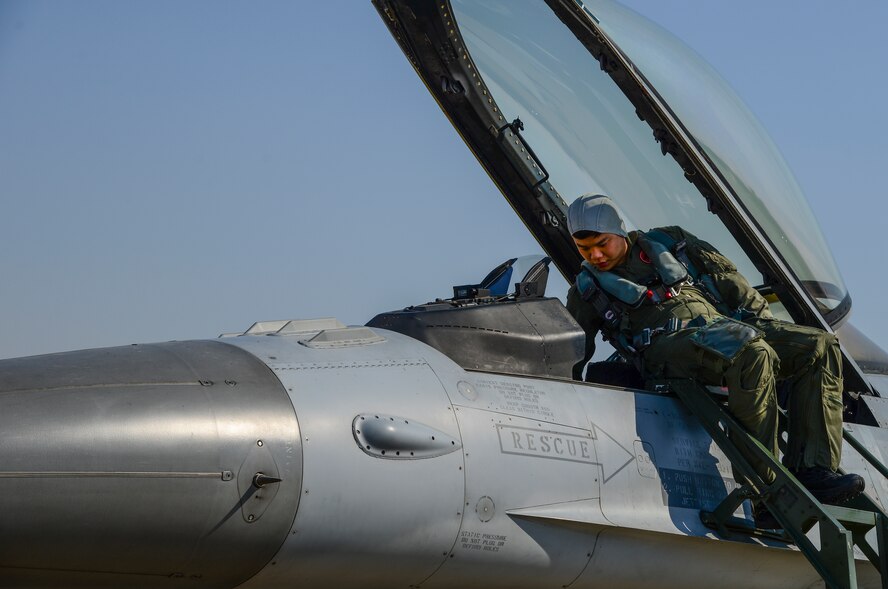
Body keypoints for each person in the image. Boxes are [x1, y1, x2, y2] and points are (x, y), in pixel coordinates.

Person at [564, 194, 864, 514]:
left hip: (721, 331)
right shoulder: (586, 291)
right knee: (752, 353)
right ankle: (765, 491)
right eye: (585, 249)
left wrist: (772, 332)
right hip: (667, 349)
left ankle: (814, 470)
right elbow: (572, 353)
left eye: (602, 243)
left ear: (620, 232)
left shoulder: (671, 243)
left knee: (819, 345)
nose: (595, 255)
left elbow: (733, 286)